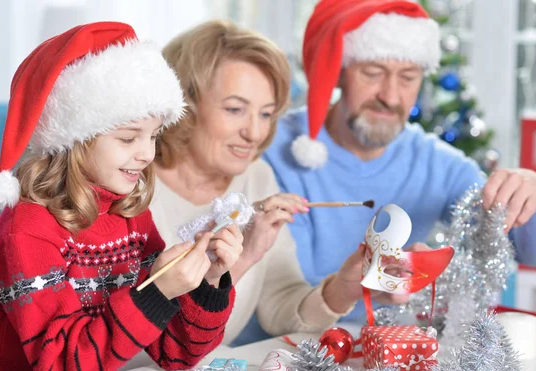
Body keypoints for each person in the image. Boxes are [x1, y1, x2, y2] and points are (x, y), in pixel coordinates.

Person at [263, 0, 536, 322]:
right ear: (337, 71)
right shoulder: (270, 145)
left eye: (408, 77)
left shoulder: (438, 164)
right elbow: (278, 298)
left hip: (383, 357)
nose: (391, 96)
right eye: (372, 72)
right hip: (273, 352)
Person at [0, 22, 243, 371]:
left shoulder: (130, 216)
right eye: (128, 137)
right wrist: (155, 292)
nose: (147, 153)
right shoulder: (26, 231)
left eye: (153, 135)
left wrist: (209, 281)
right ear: (75, 139)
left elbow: (177, 354)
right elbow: (61, 368)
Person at [151, 20, 405, 346]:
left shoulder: (256, 178)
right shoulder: (129, 182)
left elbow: (278, 305)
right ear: (184, 105)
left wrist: (343, 289)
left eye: (266, 114)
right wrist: (241, 262)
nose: (255, 133)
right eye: (235, 109)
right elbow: (137, 342)